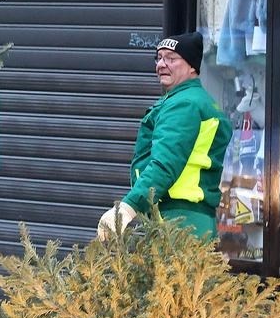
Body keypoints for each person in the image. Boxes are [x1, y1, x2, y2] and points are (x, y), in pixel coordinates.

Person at [99, 31, 232, 240]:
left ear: (192, 66)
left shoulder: (184, 104)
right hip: (189, 220)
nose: (161, 64)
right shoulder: (195, 101)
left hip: (179, 221)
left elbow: (165, 164)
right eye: (159, 57)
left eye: (171, 58)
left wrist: (127, 208)